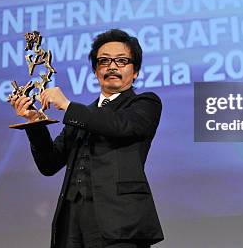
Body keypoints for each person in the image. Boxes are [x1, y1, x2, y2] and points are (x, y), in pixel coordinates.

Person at [11, 29, 164, 248]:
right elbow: (49, 164)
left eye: (121, 61)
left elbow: (120, 127)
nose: (112, 66)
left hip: (121, 224)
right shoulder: (83, 115)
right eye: (104, 61)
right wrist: (35, 122)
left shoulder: (145, 104)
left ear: (136, 71)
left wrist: (67, 106)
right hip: (73, 223)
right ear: (95, 70)